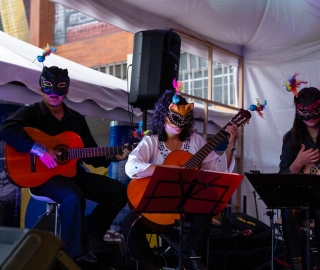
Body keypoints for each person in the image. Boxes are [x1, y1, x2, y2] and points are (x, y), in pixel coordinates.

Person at [0, 66, 129, 264]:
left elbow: (91, 154)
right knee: (73, 196)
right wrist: (40, 150)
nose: (54, 93)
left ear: (67, 90)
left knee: (118, 191)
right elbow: (6, 129)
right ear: (41, 89)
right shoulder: (31, 113)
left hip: (73, 174)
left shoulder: (76, 119)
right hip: (43, 178)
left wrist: (113, 156)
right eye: (49, 88)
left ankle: (89, 233)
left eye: (60, 88)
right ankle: (73, 255)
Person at [121, 84, 238, 270]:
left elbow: (217, 170)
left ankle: (195, 257)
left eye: (184, 119)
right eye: (174, 118)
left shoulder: (196, 141)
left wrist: (230, 145)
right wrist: (165, 169)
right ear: (163, 115)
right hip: (159, 205)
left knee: (204, 205)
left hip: (187, 205)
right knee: (129, 225)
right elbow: (131, 166)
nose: (179, 123)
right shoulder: (152, 141)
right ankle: (153, 266)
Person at [279, 87, 320, 270]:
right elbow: (281, 177)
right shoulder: (291, 139)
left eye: (315, 110)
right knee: (289, 209)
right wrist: (298, 163)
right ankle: (297, 264)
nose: (310, 116)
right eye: (305, 112)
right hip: (301, 196)